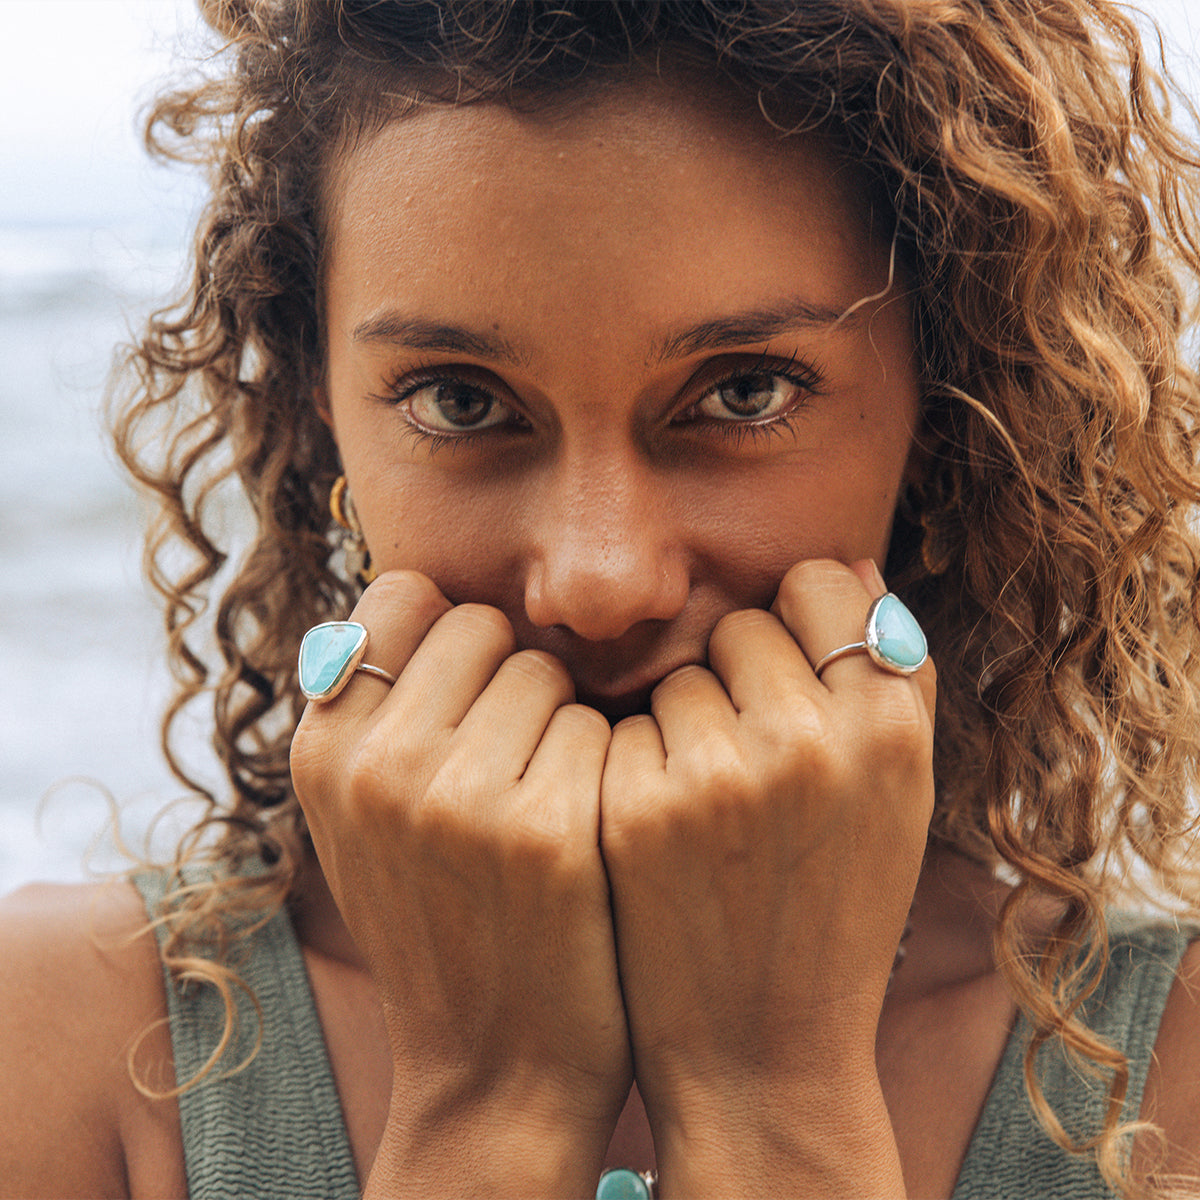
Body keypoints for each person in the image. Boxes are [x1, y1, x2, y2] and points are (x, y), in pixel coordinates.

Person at [4, 0, 1200, 1196]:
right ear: (323, 412)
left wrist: (774, 1101)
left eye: (743, 393)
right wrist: (488, 1104)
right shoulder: (63, 1040)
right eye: (460, 402)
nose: (599, 579)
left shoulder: (1174, 1072)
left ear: (943, 407)